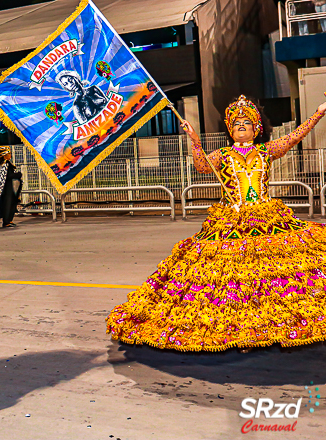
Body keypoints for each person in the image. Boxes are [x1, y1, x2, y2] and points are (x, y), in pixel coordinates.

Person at [107, 94, 326, 351]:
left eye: (246, 122)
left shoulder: (267, 150)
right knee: (229, 277)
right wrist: (195, 141)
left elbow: (295, 136)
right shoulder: (222, 154)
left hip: (268, 219)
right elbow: (201, 167)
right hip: (230, 221)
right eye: (236, 124)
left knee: (276, 273)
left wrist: (319, 113)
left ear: (257, 128)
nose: (241, 127)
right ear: (229, 130)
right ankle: (239, 327)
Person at [0, 135, 22, 228]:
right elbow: (8, 176)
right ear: (5, 155)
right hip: (7, 189)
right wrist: (18, 174)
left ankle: (9, 220)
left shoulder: (6, 164)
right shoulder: (4, 164)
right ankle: (6, 221)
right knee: (7, 205)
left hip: (9, 188)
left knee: (11, 205)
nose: (10, 155)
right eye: (9, 153)